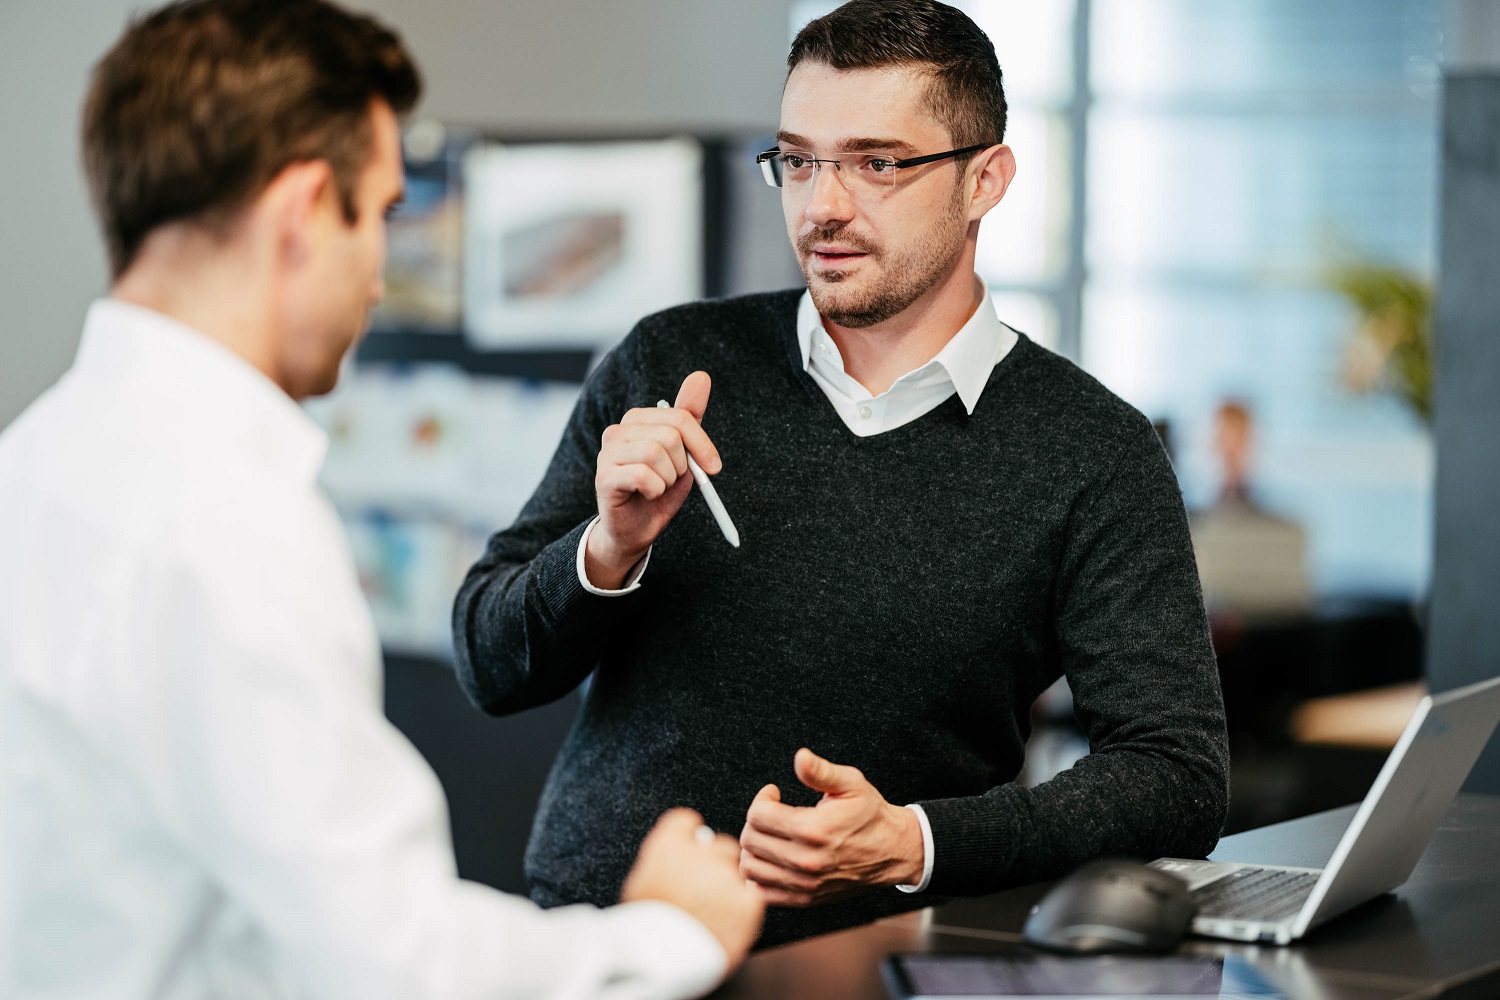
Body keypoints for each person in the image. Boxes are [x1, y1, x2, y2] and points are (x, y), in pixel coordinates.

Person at [0, 2, 762, 997]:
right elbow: (395, 963)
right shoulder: (224, 518)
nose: (378, 276)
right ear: (306, 209)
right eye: (385, 214)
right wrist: (668, 933)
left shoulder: (37, 460)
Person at [452, 0, 1229, 947]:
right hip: (604, 947)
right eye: (799, 160)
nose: (823, 205)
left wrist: (918, 841)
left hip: (877, 962)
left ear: (986, 179)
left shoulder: (1093, 448)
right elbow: (488, 663)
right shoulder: (671, 362)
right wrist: (606, 550)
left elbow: (1175, 776)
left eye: (877, 163)